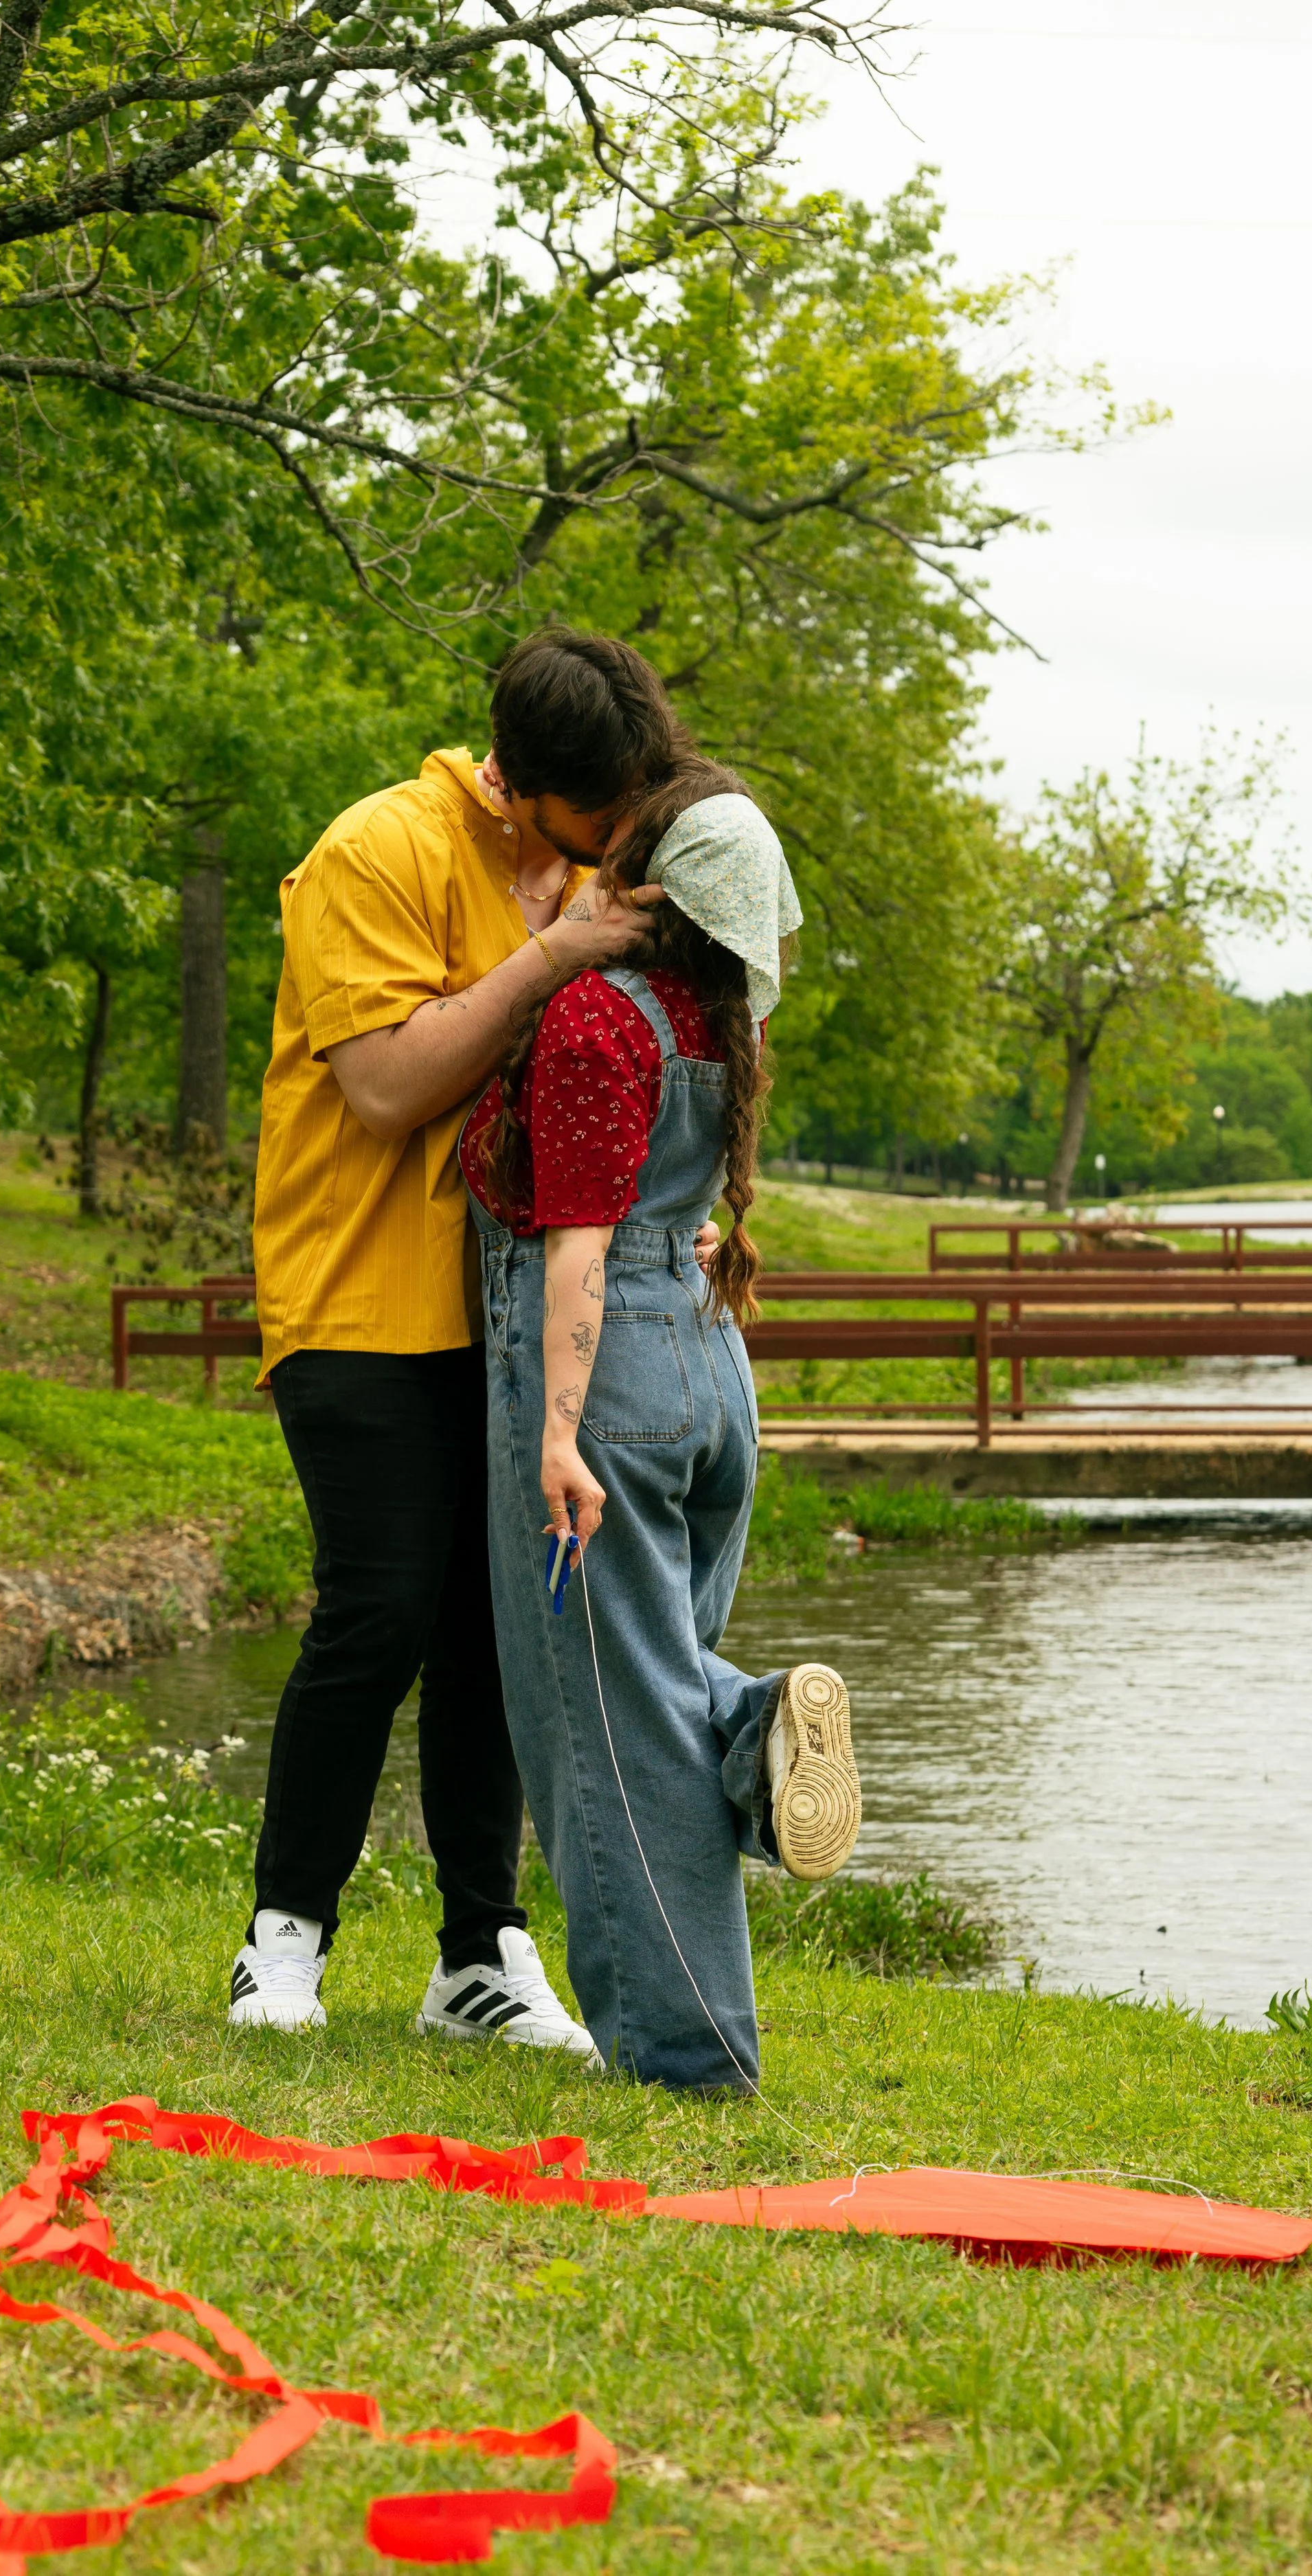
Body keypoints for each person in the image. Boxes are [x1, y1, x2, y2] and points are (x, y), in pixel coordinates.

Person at [227, 630, 715, 2047]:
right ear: (520, 786)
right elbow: (384, 1088)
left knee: (496, 1629)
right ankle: (283, 1937)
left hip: (515, 1313)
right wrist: (548, 957)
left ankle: (476, 1956)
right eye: (600, 818)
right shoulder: (372, 853)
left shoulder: (589, 869)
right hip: (358, 1295)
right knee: (377, 1606)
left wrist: (673, 1210)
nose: (621, 841)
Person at [460, 760, 862, 2091]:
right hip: (703, 1366)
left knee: (605, 1740)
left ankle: (681, 2058)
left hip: (608, 1383)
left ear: (649, 881)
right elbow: (662, 1216)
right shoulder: (713, 1021)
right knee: (649, 1689)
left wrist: (557, 1436)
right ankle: (746, 1728)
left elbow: (576, 1252)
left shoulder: (594, 1020)